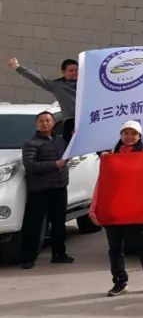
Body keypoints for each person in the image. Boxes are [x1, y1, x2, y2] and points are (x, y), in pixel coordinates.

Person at [100, 121, 143, 296]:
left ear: (139, 137)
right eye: (125, 132)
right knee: (115, 246)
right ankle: (120, 281)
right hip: (114, 205)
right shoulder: (111, 155)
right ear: (120, 135)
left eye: (133, 133)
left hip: (136, 205)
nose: (129, 136)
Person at [20, 110, 73, 269]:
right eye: (41, 121)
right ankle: (28, 258)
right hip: (40, 190)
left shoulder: (60, 140)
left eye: (48, 120)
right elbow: (30, 165)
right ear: (36, 124)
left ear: (53, 123)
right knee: (34, 225)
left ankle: (59, 254)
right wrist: (54, 165)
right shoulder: (31, 143)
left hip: (59, 187)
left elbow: (67, 157)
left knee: (59, 223)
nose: (45, 123)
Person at [9, 57, 78, 142]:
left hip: (89, 120)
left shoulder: (86, 83)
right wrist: (18, 67)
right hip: (71, 122)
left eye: (76, 70)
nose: (74, 73)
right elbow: (37, 78)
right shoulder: (57, 85)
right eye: (71, 71)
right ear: (63, 72)